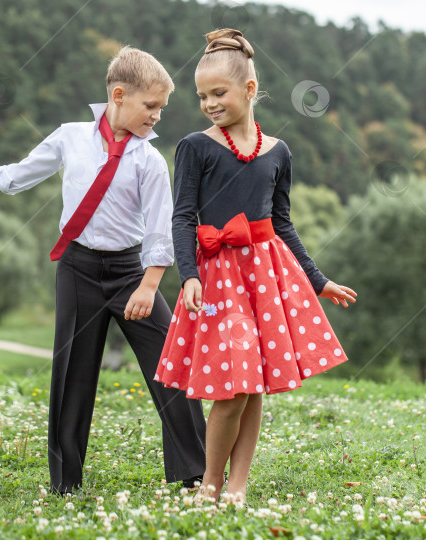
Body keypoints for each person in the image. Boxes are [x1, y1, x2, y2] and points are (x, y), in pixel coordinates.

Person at [0, 46, 207, 494]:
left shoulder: (150, 160)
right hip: (77, 269)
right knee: (71, 376)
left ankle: (197, 471)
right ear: (119, 95)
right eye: (151, 105)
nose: (157, 116)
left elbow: (160, 228)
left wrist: (149, 285)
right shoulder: (70, 138)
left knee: (171, 362)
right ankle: (65, 482)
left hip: (132, 273)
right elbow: (20, 173)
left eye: (161, 108)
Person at [154, 29, 357, 503]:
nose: (209, 103)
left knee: (252, 387)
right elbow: (182, 218)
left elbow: (282, 223)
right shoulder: (195, 147)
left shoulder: (279, 152)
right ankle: (210, 485)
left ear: (249, 89)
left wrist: (318, 280)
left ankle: (237, 487)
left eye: (218, 93)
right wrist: (188, 276)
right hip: (218, 279)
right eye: (202, 96)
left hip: (266, 276)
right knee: (231, 389)